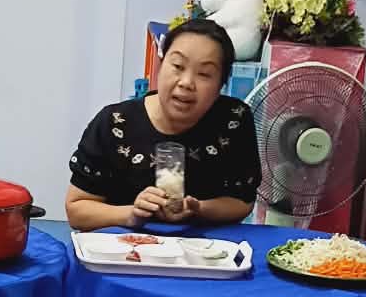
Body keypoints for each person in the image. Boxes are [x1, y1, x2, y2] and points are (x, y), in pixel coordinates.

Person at [66, 17, 260, 230]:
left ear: (221, 84)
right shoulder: (115, 124)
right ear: (161, 65)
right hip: (125, 245)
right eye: (177, 66)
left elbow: (242, 201)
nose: (186, 83)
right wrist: (131, 214)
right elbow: (77, 209)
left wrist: (199, 209)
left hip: (202, 247)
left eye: (204, 74)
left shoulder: (234, 120)